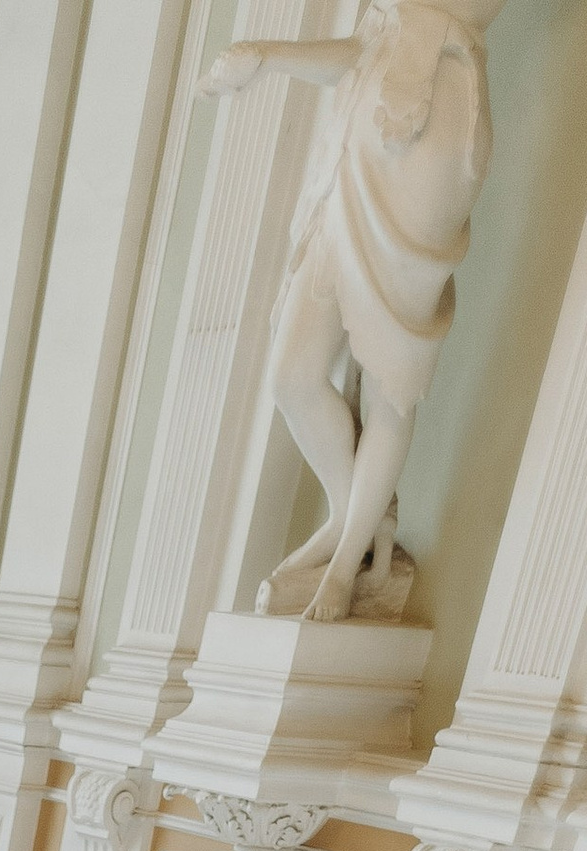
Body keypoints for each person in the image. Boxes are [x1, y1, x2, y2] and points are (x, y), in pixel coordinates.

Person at [203, 0, 503, 624]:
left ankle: (344, 568)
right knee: (293, 375)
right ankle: (356, 521)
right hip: (352, 158)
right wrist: (270, 56)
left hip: (428, 139)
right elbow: (367, 46)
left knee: (391, 384)